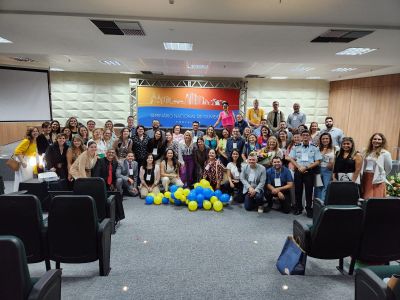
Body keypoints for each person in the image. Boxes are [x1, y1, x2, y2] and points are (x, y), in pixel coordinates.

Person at [289, 130, 322, 217]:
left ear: (310, 136)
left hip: (309, 171)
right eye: (303, 135)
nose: (305, 137)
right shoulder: (296, 146)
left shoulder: (314, 147)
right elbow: (291, 158)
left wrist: (306, 167)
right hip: (298, 171)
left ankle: (308, 209)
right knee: (298, 191)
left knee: (309, 191)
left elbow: (318, 161)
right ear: (301, 136)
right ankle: (298, 208)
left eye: (307, 135)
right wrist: (299, 167)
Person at [361, 133, 392, 198]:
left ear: (382, 141)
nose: (376, 141)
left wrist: (381, 175)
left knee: (375, 198)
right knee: (365, 198)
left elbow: (388, 168)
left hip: (377, 178)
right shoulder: (366, 151)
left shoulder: (385, 153)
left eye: (379, 139)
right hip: (366, 177)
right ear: (371, 140)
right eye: (374, 139)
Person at [13, 127, 40, 191]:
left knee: (28, 179)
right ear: (30, 133)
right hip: (24, 162)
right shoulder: (27, 141)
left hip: (29, 162)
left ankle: (25, 193)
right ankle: (20, 194)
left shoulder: (34, 140)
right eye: (33, 131)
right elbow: (17, 151)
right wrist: (23, 162)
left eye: (36, 131)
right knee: (23, 179)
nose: (35, 132)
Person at [314, 133, 335, 202]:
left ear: (330, 140)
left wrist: (332, 163)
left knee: (326, 187)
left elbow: (337, 159)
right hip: (318, 170)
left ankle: (324, 204)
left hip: (328, 171)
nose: (325, 140)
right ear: (320, 140)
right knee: (318, 187)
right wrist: (323, 152)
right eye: (323, 139)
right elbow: (315, 160)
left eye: (327, 138)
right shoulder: (317, 148)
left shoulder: (335, 148)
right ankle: (317, 205)